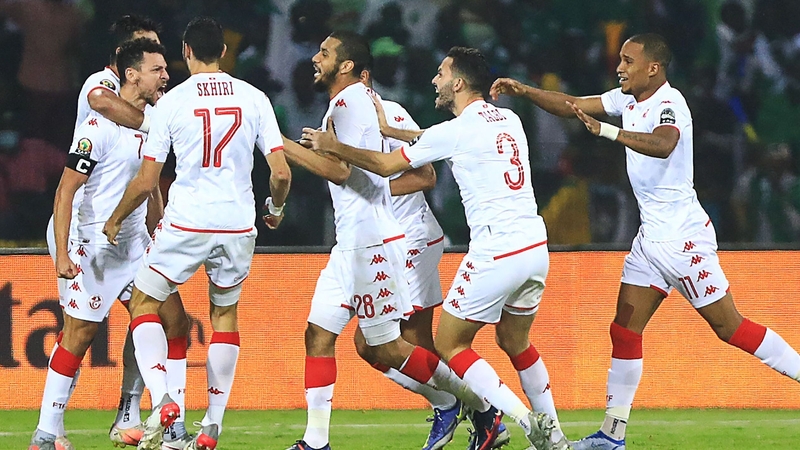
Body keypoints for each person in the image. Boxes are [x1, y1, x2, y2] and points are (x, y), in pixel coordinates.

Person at [490, 33, 800, 450]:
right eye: (620, 59)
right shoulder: (627, 100)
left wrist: (607, 133)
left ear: (653, 68)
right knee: (623, 330)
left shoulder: (670, 104)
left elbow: (664, 143)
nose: (619, 67)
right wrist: (525, 91)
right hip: (651, 239)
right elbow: (573, 105)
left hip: (681, 240)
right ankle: (612, 436)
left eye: (628, 60)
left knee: (732, 328)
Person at [303, 46, 569, 450]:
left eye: (442, 74)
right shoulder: (509, 119)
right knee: (515, 341)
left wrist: (334, 146)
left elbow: (389, 167)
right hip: (535, 244)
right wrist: (393, 133)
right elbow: (438, 140)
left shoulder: (455, 130)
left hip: (495, 250)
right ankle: (557, 438)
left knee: (449, 345)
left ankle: (518, 419)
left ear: (458, 83)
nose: (435, 80)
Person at [280, 32, 483, 450]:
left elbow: (411, 174)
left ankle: (476, 405)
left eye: (324, 53)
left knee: (392, 345)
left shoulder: (362, 104)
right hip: (352, 240)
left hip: (390, 239)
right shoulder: (339, 110)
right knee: (320, 335)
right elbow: (341, 169)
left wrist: (275, 141)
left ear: (355, 70)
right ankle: (316, 440)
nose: (314, 58)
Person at [102, 17, 291, 450]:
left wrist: (115, 219)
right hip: (239, 222)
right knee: (224, 316)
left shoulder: (171, 102)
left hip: (187, 221)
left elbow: (147, 181)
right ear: (223, 51)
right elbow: (279, 172)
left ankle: (164, 396)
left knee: (145, 303)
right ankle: (212, 425)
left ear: (184, 52)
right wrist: (275, 209)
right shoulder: (255, 97)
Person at [43, 14, 194, 449]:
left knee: (169, 319)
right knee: (81, 333)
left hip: (129, 232)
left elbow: (147, 184)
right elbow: (101, 105)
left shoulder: (149, 109)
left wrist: (160, 229)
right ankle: (49, 430)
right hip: (86, 227)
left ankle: (141, 412)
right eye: (152, 56)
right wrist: (158, 125)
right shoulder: (102, 90)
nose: (164, 68)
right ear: (127, 60)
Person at [354, 68, 510, 450]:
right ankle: (483, 414)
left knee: (373, 342)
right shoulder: (335, 121)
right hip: (382, 244)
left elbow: (425, 177)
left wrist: (362, 186)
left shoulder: (388, 112)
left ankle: (457, 404)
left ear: (360, 75)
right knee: (412, 345)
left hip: (412, 238)